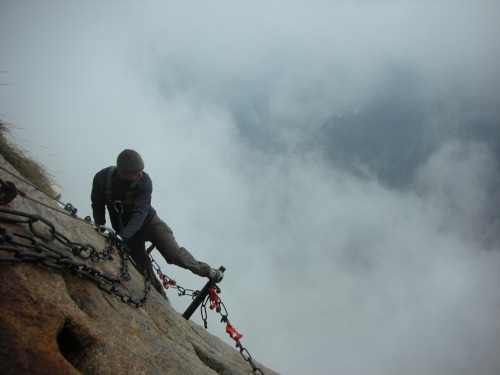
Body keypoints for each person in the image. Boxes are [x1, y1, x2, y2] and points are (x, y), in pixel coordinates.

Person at [91, 149, 223, 297]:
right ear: (123, 173)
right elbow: (98, 204)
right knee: (144, 270)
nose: (141, 175)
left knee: (174, 255)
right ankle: (161, 298)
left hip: (150, 224)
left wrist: (122, 237)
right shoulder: (102, 179)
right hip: (127, 233)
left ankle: (207, 271)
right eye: (136, 173)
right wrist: (100, 226)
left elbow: (140, 213)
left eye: (141, 171)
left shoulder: (145, 182)